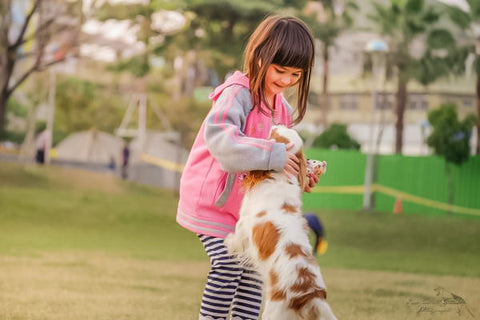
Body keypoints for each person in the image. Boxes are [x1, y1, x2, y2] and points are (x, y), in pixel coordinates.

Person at [176, 15, 317, 320]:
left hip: (248, 209)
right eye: (280, 70)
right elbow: (223, 143)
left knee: (255, 270)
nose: (286, 81)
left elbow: (279, 157)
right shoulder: (237, 94)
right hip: (213, 202)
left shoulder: (282, 109)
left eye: (295, 74)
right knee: (227, 264)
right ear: (259, 56)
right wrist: (276, 156)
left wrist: (302, 171)